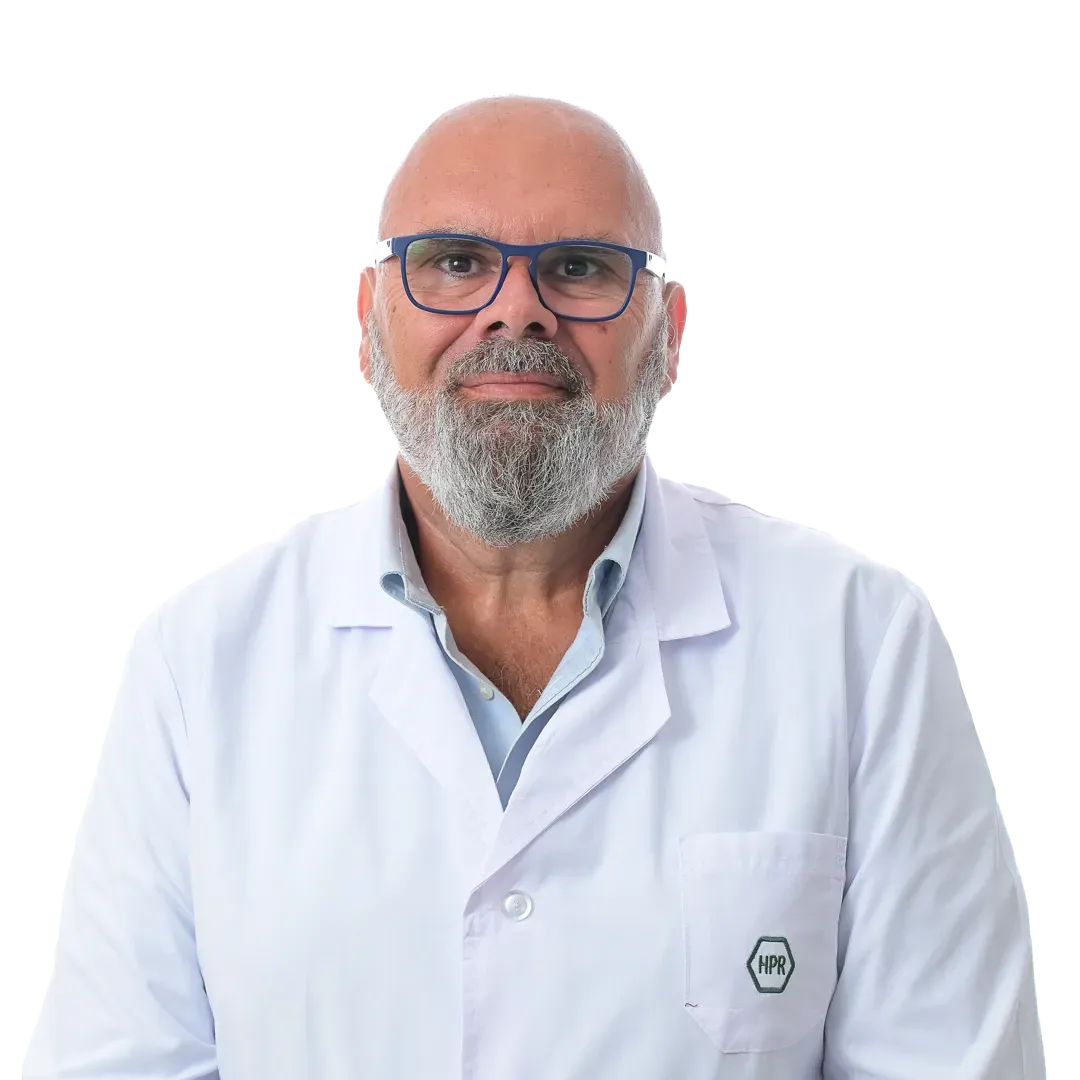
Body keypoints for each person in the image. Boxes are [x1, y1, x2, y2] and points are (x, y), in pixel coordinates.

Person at [23, 96, 1045, 1079]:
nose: (517, 308)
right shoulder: (201, 660)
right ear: (369, 322)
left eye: (580, 267)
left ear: (669, 334)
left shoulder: (861, 644)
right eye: (455, 262)